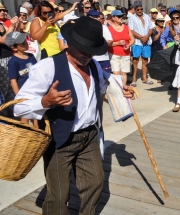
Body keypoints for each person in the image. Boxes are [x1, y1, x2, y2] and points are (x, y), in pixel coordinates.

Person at [14, 17, 135, 215]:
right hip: (60, 140)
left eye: (92, 50)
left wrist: (122, 92)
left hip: (89, 137)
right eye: (82, 48)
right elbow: (19, 108)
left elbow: (103, 89)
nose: (87, 55)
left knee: (95, 183)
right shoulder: (47, 68)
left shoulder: (95, 66)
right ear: (69, 43)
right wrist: (45, 102)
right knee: (59, 196)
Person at [6, 32, 37, 124]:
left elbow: (37, 71)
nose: (26, 44)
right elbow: (13, 80)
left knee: (36, 113)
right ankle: (26, 134)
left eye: (25, 41)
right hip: (23, 92)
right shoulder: (13, 62)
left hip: (34, 89)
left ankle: (37, 133)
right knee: (26, 115)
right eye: (22, 44)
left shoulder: (31, 57)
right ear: (14, 48)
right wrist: (19, 96)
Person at [128, 1, 153, 85]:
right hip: (137, 42)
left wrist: (146, 37)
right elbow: (131, 30)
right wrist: (141, 37)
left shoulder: (147, 17)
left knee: (145, 60)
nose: (140, 10)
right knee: (135, 60)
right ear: (134, 9)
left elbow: (151, 29)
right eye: (138, 9)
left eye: (141, 9)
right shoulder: (132, 18)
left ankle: (144, 78)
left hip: (146, 41)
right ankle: (134, 79)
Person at [107, 10, 135, 85]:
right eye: (118, 16)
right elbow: (107, 44)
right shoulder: (109, 29)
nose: (121, 18)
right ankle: (117, 89)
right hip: (114, 54)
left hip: (125, 54)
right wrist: (118, 43)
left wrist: (129, 45)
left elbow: (132, 39)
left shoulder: (126, 27)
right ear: (113, 17)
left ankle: (123, 88)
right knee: (116, 73)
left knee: (124, 73)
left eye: (121, 16)